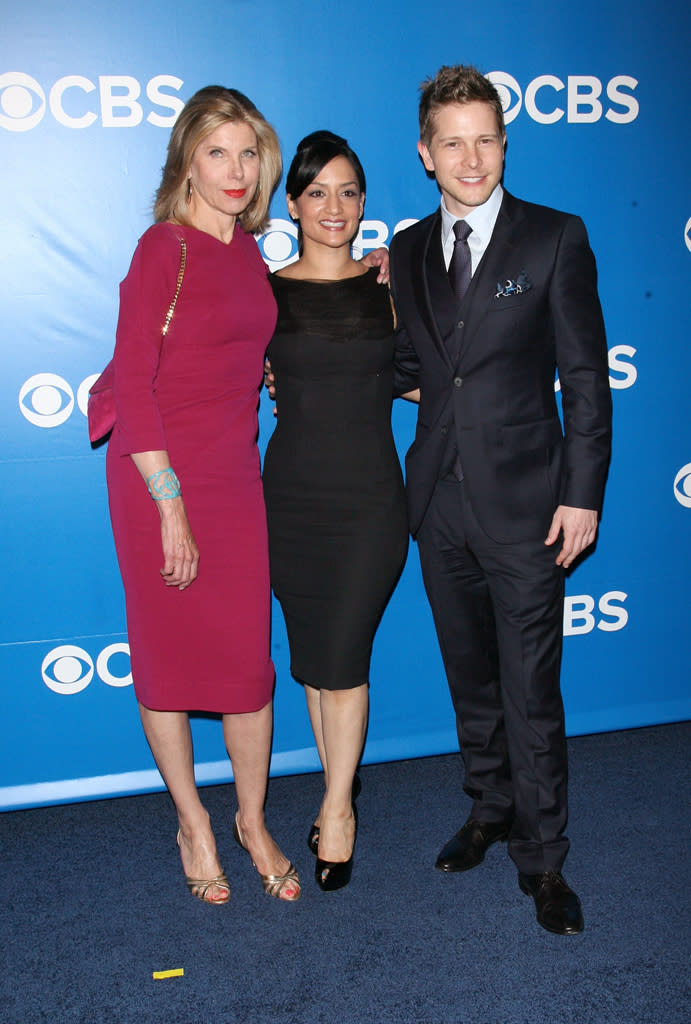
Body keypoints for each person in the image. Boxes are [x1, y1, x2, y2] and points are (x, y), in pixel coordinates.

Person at [389, 66, 612, 935]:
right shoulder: (406, 250)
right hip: (437, 505)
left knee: (530, 691)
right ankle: (489, 808)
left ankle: (544, 860)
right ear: (425, 152)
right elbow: (415, 369)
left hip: (528, 507)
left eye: (485, 138)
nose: (470, 156)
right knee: (470, 679)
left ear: (504, 143)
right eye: (452, 141)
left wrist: (581, 493)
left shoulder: (554, 237)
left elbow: (585, 379)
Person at [106, 85, 300, 904]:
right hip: (160, 475)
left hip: (233, 473)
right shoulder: (165, 247)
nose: (234, 169)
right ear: (187, 160)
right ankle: (192, 821)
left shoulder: (247, 252)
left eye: (248, 152)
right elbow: (135, 384)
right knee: (169, 659)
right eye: (216, 151)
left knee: (245, 665)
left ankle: (251, 820)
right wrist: (170, 504)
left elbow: (234, 338)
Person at [262, 131, 410, 890]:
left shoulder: (392, 287)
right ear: (290, 203)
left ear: (363, 203)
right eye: (316, 191)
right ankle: (336, 792)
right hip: (287, 502)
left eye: (348, 191)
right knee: (316, 666)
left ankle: (337, 811)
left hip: (371, 505)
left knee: (343, 660)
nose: (333, 206)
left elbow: (428, 377)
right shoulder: (261, 293)